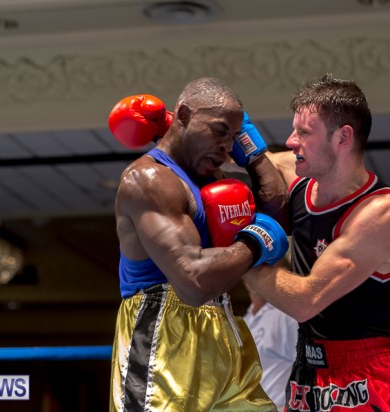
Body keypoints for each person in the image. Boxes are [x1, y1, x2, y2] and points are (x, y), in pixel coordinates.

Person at [107, 77, 290, 412]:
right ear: (184, 115)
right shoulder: (149, 180)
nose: (226, 146)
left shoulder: (212, 179)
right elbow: (194, 282)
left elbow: (278, 211)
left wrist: (253, 152)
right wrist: (257, 240)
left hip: (223, 326)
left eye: (234, 137)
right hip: (163, 329)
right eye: (220, 131)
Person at [244, 74, 390, 411]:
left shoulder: (381, 213)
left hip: (365, 376)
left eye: (304, 133)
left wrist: (238, 252)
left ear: (343, 137)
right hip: (306, 370)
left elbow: (306, 301)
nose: (291, 141)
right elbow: (250, 159)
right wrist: (182, 132)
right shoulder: (296, 177)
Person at [243, 280, 298, 411]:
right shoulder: (244, 321)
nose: (256, 274)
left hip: (281, 407)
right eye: (250, 270)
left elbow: (305, 368)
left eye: (261, 269)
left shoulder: (286, 315)